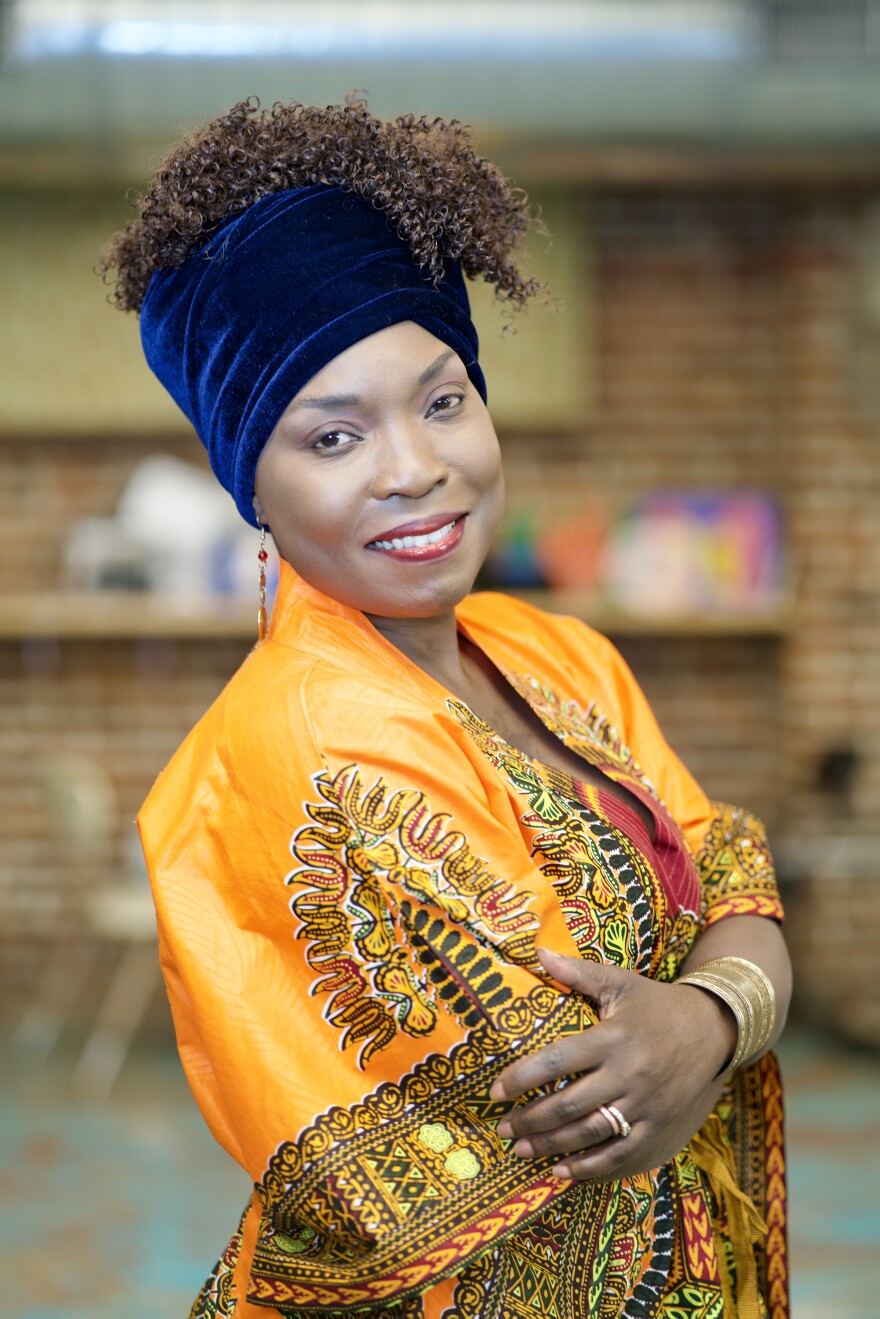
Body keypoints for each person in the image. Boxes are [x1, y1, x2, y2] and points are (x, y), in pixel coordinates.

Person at [102, 98, 792, 1319]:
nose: (414, 465)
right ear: (250, 485)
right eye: (331, 434)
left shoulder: (553, 651)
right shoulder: (298, 739)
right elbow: (584, 1101)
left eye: (440, 398)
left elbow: (734, 879)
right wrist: (715, 1007)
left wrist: (708, 1013)